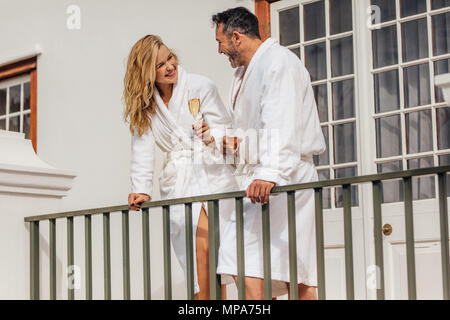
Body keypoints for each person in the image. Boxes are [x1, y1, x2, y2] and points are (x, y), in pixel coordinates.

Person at [212, 7, 326, 300]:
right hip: (259, 179)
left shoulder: (279, 62)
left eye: (220, 42)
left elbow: (281, 118)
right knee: (245, 260)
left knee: (296, 270)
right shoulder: (243, 74)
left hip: (284, 178)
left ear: (236, 37)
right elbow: (257, 127)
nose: (220, 50)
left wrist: (269, 172)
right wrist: (235, 144)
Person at [124, 35, 238, 299]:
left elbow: (226, 128)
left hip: (210, 170)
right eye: (159, 65)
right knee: (197, 253)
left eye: (169, 58)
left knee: (214, 249)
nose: (169, 66)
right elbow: (142, 150)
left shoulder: (200, 86)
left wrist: (213, 133)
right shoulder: (147, 107)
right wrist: (141, 189)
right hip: (179, 180)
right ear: (145, 74)